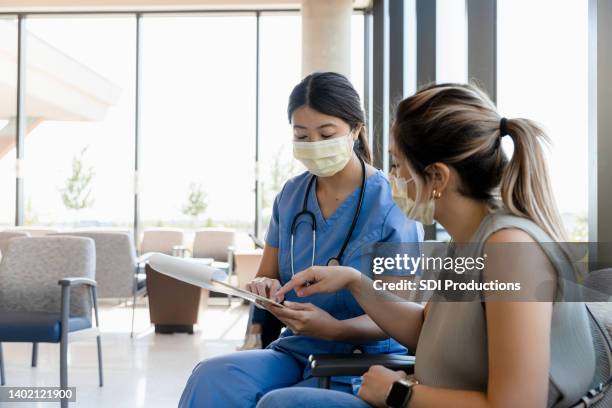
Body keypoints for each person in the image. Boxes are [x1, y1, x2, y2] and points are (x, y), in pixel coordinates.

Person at [259, 83, 597, 408]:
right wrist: (354, 281)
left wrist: (398, 395)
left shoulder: (510, 250)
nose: (390, 177)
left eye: (396, 164)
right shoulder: (468, 241)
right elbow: (426, 330)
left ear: (437, 177)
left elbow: (518, 404)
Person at [178, 72, 423, 408]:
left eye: (326, 134)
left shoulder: (392, 203)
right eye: (302, 136)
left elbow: (398, 316)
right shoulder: (292, 195)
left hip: (363, 359)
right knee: (213, 376)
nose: (314, 145)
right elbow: (268, 276)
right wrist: (264, 288)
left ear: (356, 130)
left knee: (278, 402)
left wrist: (335, 330)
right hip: (296, 348)